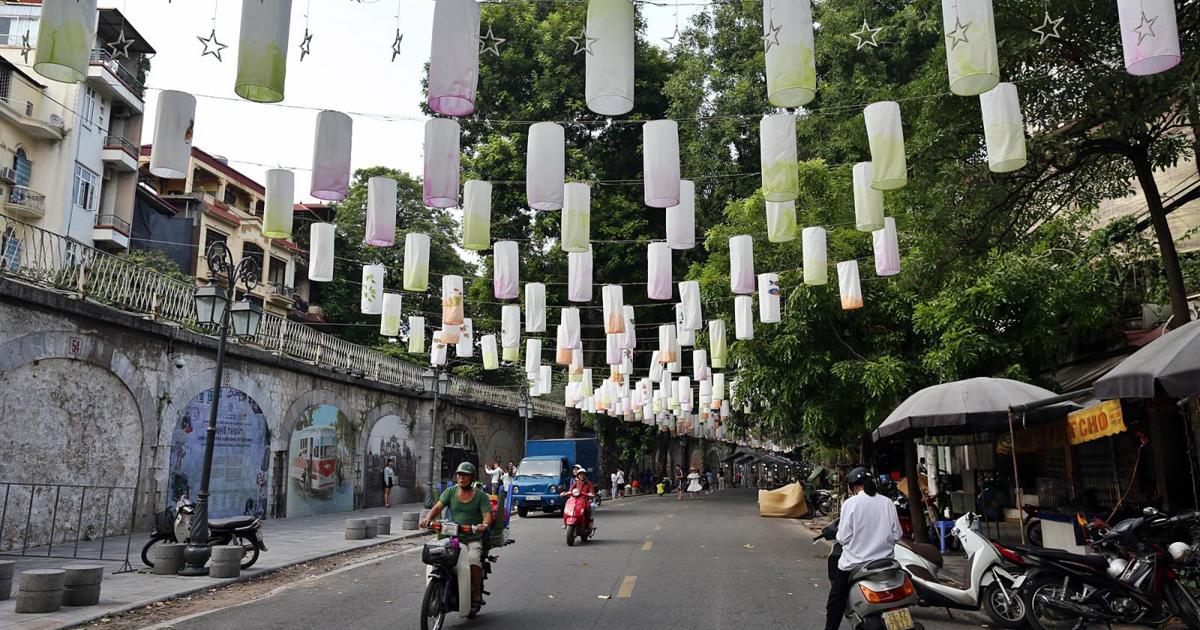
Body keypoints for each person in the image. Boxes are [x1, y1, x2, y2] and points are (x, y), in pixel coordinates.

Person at [823, 467, 902, 630]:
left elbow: (843, 537)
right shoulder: (887, 502)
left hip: (855, 564)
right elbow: (897, 535)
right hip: (886, 563)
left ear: (853, 487)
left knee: (836, 599)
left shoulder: (851, 504)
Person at [419, 462, 493, 617]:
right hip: (452, 539)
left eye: (465, 475)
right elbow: (438, 507)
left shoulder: (480, 496)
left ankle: (476, 596)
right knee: (437, 558)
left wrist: (483, 525)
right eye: (459, 474)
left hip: (473, 538)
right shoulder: (450, 492)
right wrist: (428, 518)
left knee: (473, 560)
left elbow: (487, 516)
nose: (461, 477)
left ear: (472, 477)